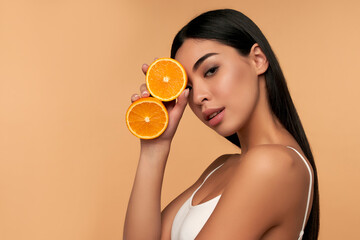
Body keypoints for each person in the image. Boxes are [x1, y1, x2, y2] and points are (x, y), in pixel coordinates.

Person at [123, 9, 319, 240]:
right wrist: (154, 149)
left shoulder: (275, 165)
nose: (198, 97)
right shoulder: (222, 167)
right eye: (189, 87)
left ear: (258, 59)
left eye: (211, 70)